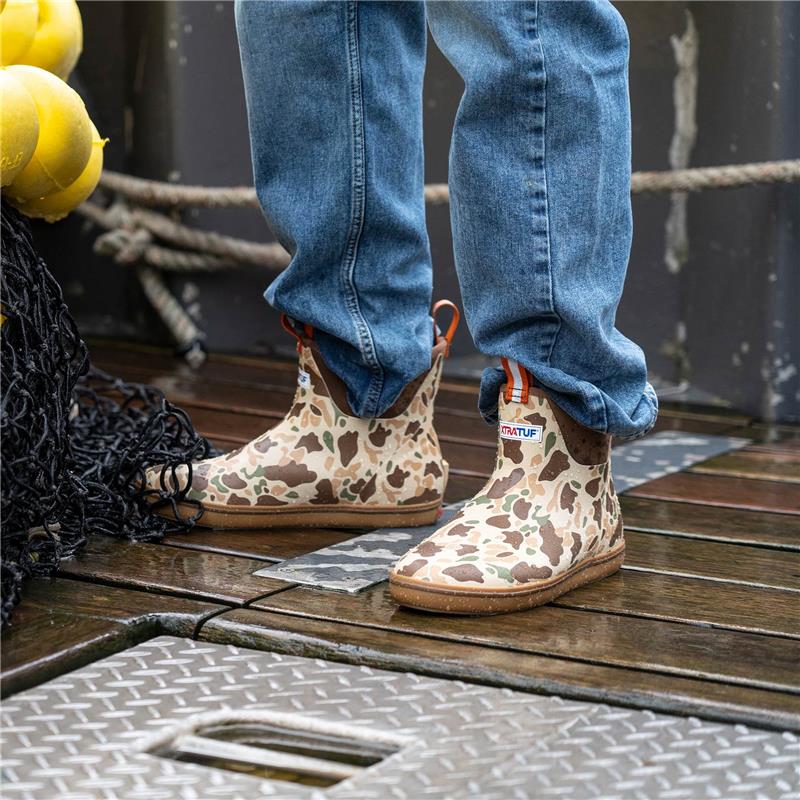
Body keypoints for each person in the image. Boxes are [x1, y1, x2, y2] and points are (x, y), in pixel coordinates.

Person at [150, 0, 658, 615]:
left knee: (520, 14)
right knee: (302, 11)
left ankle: (565, 465)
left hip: (559, 458)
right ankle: (363, 424)